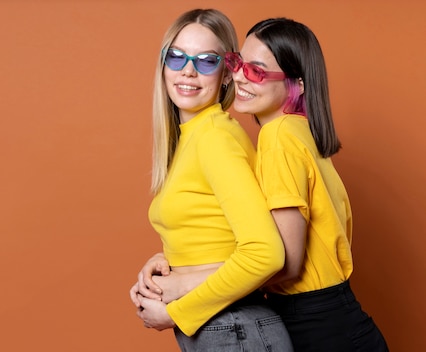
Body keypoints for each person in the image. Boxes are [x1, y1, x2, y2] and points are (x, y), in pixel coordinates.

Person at [137, 17, 390, 351]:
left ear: (296, 84)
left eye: (255, 71)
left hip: (319, 323)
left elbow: (279, 259)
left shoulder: (276, 138)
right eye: (239, 63)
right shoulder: (295, 131)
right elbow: (245, 240)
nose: (240, 76)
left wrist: (181, 289)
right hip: (329, 316)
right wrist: (172, 266)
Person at [129, 9, 293, 351]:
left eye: (206, 61)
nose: (188, 71)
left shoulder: (216, 136)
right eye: (176, 57)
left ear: (227, 74)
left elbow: (266, 253)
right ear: (163, 64)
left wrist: (177, 312)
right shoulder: (193, 136)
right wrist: (162, 265)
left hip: (234, 326)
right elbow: (214, 232)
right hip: (224, 328)